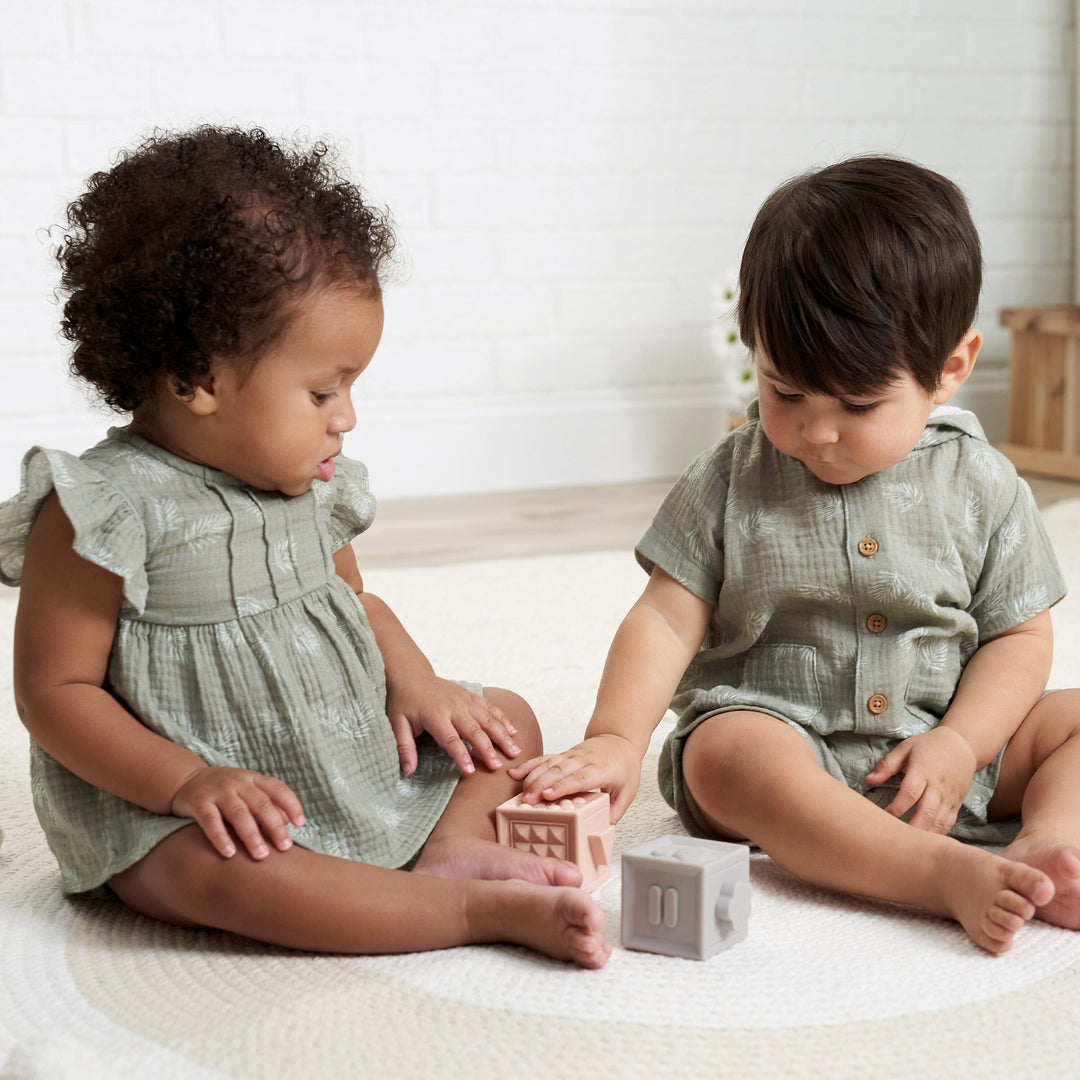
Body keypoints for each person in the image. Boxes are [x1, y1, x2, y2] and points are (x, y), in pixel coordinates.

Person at [0, 125, 609, 969]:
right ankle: (466, 909)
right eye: (324, 391)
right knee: (216, 875)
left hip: (345, 752)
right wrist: (186, 783)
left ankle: (445, 851)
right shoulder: (102, 510)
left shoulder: (309, 485)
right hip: (205, 803)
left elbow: (354, 602)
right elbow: (55, 692)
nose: (346, 417)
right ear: (196, 377)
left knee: (504, 721)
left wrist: (419, 683)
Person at [512, 155, 1080, 953]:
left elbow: (1019, 637)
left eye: (858, 404)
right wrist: (615, 737)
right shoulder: (729, 477)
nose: (817, 431)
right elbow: (666, 619)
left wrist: (963, 742)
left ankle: (1050, 843)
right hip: (786, 741)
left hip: (946, 748)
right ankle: (933, 873)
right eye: (784, 392)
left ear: (950, 369)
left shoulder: (984, 483)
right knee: (722, 755)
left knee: (1073, 720)